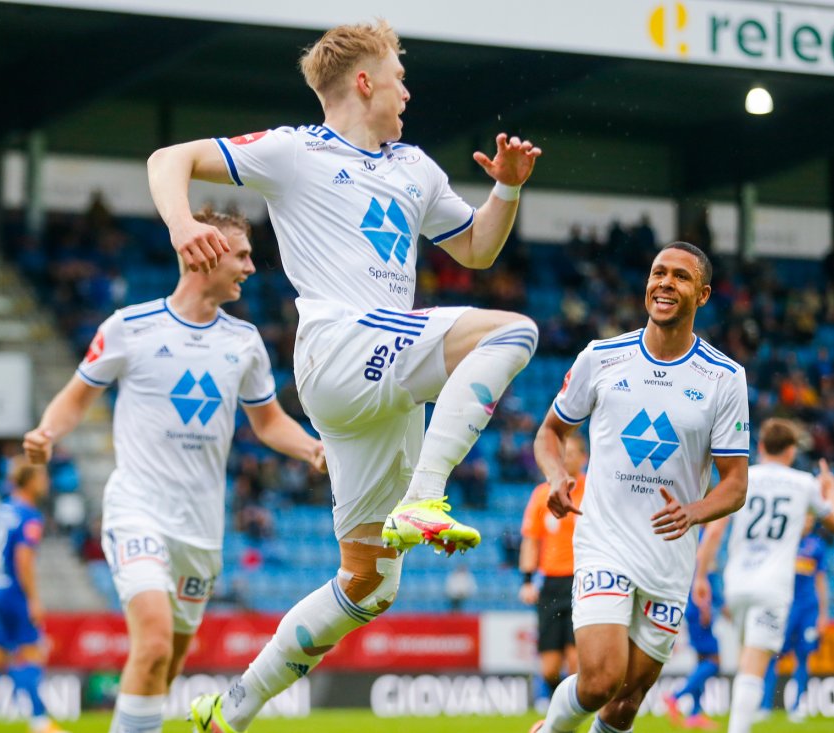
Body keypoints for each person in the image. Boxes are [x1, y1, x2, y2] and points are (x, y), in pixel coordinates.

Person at [146, 20, 542, 733]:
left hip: (378, 380)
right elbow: (168, 157)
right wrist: (181, 225)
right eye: (397, 76)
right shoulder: (294, 152)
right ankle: (426, 495)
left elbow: (479, 249)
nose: (407, 90)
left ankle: (229, 710)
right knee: (514, 331)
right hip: (338, 343)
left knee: (368, 582)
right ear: (364, 82)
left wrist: (506, 192)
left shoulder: (415, 168)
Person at [23, 207, 325, 733]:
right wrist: (48, 431)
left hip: (201, 532)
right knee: (155, 641)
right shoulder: (129, 327)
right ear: (203, 253)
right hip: (138, 510)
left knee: (171, 659)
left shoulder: (244, 342)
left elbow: (269, 421)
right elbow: (75, 398)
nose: (251, 268)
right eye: (242, 255)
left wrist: (312, 450)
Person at [530, 242, 750, 733]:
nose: (665, 283)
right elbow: (550, 433)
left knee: (625, 703)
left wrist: (694, 511)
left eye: (680, 277)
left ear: (704, 294)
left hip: (669, 558)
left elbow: (736, 484)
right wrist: (556, 475)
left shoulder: (724, 379)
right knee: (598, 682)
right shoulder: (602, 357)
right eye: (658, 273)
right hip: (605, 542)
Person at [693, 419, 834, 733]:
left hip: (737, 584)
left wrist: (701, 577)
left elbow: (714, 531)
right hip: (773, 586)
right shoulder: (804, 483)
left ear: (760, 447)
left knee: (747, 656)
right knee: (753, 664)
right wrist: (831, 489)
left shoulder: (742, 478)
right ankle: (738, 728)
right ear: (791, 451)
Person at [0, 458, 67, 733]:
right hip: (12, 591)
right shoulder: (29, 514)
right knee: (30, 653)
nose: (46, 482)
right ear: (31, 481)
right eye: (42, 477)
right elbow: (23, 559)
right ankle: (40, 721)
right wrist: (33, 599)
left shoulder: (0, 511)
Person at [519, 433, 588, 706]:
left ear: (584, 458)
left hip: (582, 582)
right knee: (549, 667)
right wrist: (526, 580)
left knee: (575, 662)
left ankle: (568, 714)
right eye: (563, 453)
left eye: (572, 453)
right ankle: (562, 705)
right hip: (550, 585)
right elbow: (531, 540)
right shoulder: (541, 494)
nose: (566, 458)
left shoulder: (592, 490)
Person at [759, 517, 834, 723]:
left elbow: (821, 580)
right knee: (773, 654)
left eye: (810, 519)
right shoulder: (784, 543)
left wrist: (823, 614)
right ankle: (765, 705)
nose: (806, 522)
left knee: (803, 656)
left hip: (808, 609)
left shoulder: (817, 546)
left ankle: (798, 705)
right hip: (785, 607)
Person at [662, 559, 722, 730]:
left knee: (702, 662)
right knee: (715, 661)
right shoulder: (704, 539)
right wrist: (705, 607)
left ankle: (695, 714)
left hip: (693, 604)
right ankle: (675, 696)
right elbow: (701, 571)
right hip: (699, 604)